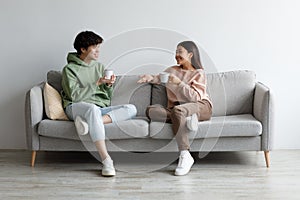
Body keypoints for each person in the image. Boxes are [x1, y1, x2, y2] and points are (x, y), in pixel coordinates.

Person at [61, 31, 137, 177]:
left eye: (98, 47)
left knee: (131, 108)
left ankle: (91, 124)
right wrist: (97, 83)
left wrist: (108, 86)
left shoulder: (99, 67)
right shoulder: (69, 70)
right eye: (94, 47)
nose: (98, 51)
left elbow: (106, 97)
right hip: (75, 107)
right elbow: (74, 96)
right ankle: (106, 160)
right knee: (92, 109)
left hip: (97, 109)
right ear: (83, 49)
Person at [137, 41, 213, 176]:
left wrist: (179, 83)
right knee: (151, 110)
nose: (176, 55)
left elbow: (195, 97)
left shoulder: (199, 73)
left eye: (180, 51)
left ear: (190, 54)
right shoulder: (172, 70)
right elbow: (158, 78)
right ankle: (186, 119)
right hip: (179, 109)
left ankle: (185, 155)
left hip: (201, 106)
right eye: (176, 52)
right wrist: (150, 77)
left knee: (178, 111)